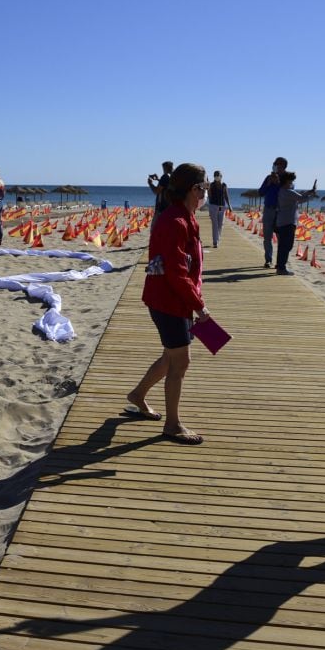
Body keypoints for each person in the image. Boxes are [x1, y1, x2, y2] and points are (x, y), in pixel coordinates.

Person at [126, 163, 210, 446]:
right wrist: (200, 307)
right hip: (169, 301)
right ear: (193, 189)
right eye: (204, 187)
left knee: (170, 357)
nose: (206, 192)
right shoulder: (174, 220)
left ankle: (138, 395)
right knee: (180, 361)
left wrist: (195, 301)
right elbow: (176, 271)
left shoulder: (186, 217)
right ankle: (172, 426)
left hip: (177, 299)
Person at [273, 172, 316, 275]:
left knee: (283, 246)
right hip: (288, 222)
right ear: (287, 181)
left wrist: (310, 191)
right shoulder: (288, 192)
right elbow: (301, 198)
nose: (292, 183)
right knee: (287, 246)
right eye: (291, 181)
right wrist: (312, 195)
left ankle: (280, 266)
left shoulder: (283, 191)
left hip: (282, 222)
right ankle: (281, 268)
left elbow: (299, 196)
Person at [258, 157, 288, 267]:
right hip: (269, 209)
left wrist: (279, 182)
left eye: (277, 164)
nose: (275, 166)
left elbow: (289, 191)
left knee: (281, 237)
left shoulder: (287, 178)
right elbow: (260, 192)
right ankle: (268, 260)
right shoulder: (268, 178)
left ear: (283, 166)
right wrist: (269, 183)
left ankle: (279, 262)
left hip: (281, 211)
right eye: (274, 164)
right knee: (267, 237)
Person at [207, 171, 231, 248]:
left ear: (221, 176)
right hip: (213, 206)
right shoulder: (211, 185)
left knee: (220, 224)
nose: (216, 176)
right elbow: (209, 196)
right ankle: (215, 242)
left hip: (222, 207)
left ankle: (217, 239)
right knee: (215, 224)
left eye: (218, 175)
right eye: (215, 175)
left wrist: (229, 206)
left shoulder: (224, 185)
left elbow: (226, 196)